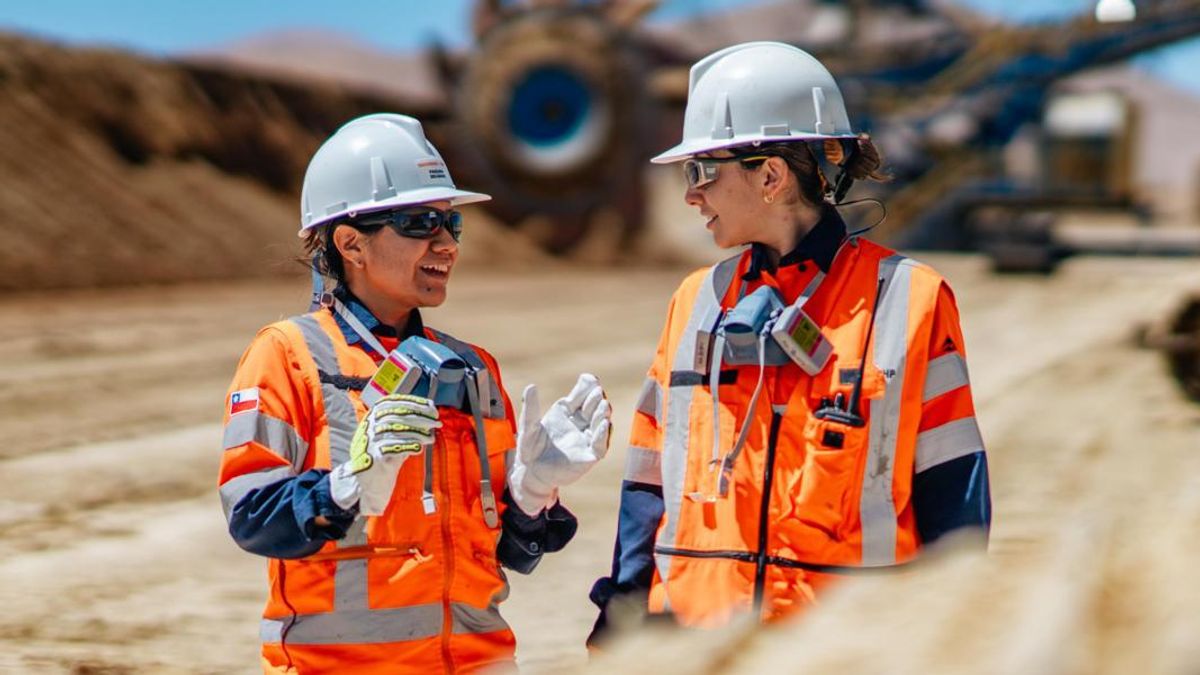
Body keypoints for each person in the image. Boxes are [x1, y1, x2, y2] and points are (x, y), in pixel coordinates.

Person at [589, 42, 992, 637]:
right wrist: (620, 616)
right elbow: (650, 482)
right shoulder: (695, 303)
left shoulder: (911, 300)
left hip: (839, 649)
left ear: (771, 176)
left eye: (701, 171)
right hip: (700, 648)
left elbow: (953, 494)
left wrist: (950, 640)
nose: (689, 194)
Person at [217, 113, 611, 673]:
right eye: (420, 222)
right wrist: (344, 488)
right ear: (351, 243)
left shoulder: (473, 369)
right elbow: (252, 517)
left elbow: (509, 554)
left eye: (452, 225)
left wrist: (531, 496)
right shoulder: (288, 356)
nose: (446, 243)